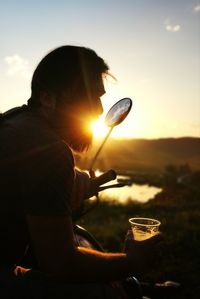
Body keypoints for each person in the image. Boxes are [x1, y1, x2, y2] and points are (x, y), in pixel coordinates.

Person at [0, 45, 161, 298]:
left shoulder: (12, 120)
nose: (98, 109)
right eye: (87, 97)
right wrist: (132, 261)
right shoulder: (51, 150)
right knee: (102, 292)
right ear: (47, 98)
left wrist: (73, 177)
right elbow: (62, 264)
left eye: (99, 97)